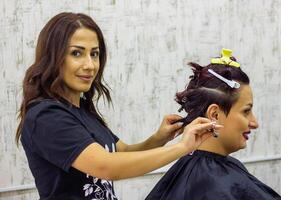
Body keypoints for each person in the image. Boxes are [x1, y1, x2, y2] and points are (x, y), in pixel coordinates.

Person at [15, 12, 221, 199]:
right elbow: (106, 166)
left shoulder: (84, 113)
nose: (90, 65)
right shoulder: (46, 117)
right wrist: (183, 147)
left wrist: (160, 138)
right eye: (76, 53)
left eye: (94, 54)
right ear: (53, 57)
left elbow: (121, 153)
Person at [146, 49, 281, 200]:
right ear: (215, 115)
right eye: (246, 111)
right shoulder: (214, 184)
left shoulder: (193, 170)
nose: (254, 123)